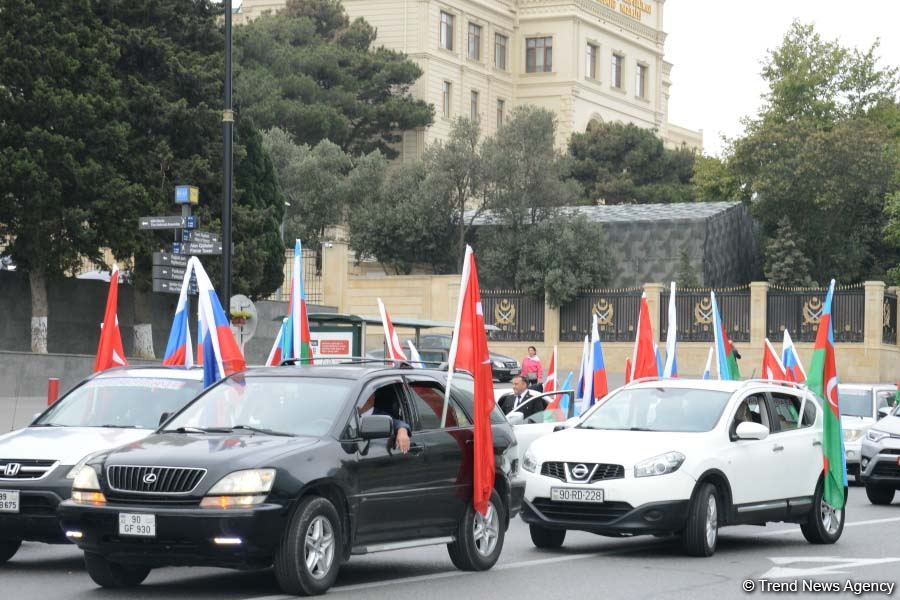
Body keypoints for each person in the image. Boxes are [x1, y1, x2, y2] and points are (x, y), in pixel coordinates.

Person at [359, 386, 411, 454]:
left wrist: (402, 431)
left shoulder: (381, 415)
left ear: (372, 397)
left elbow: (397, 423)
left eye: (362, 395)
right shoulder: (347, 414)